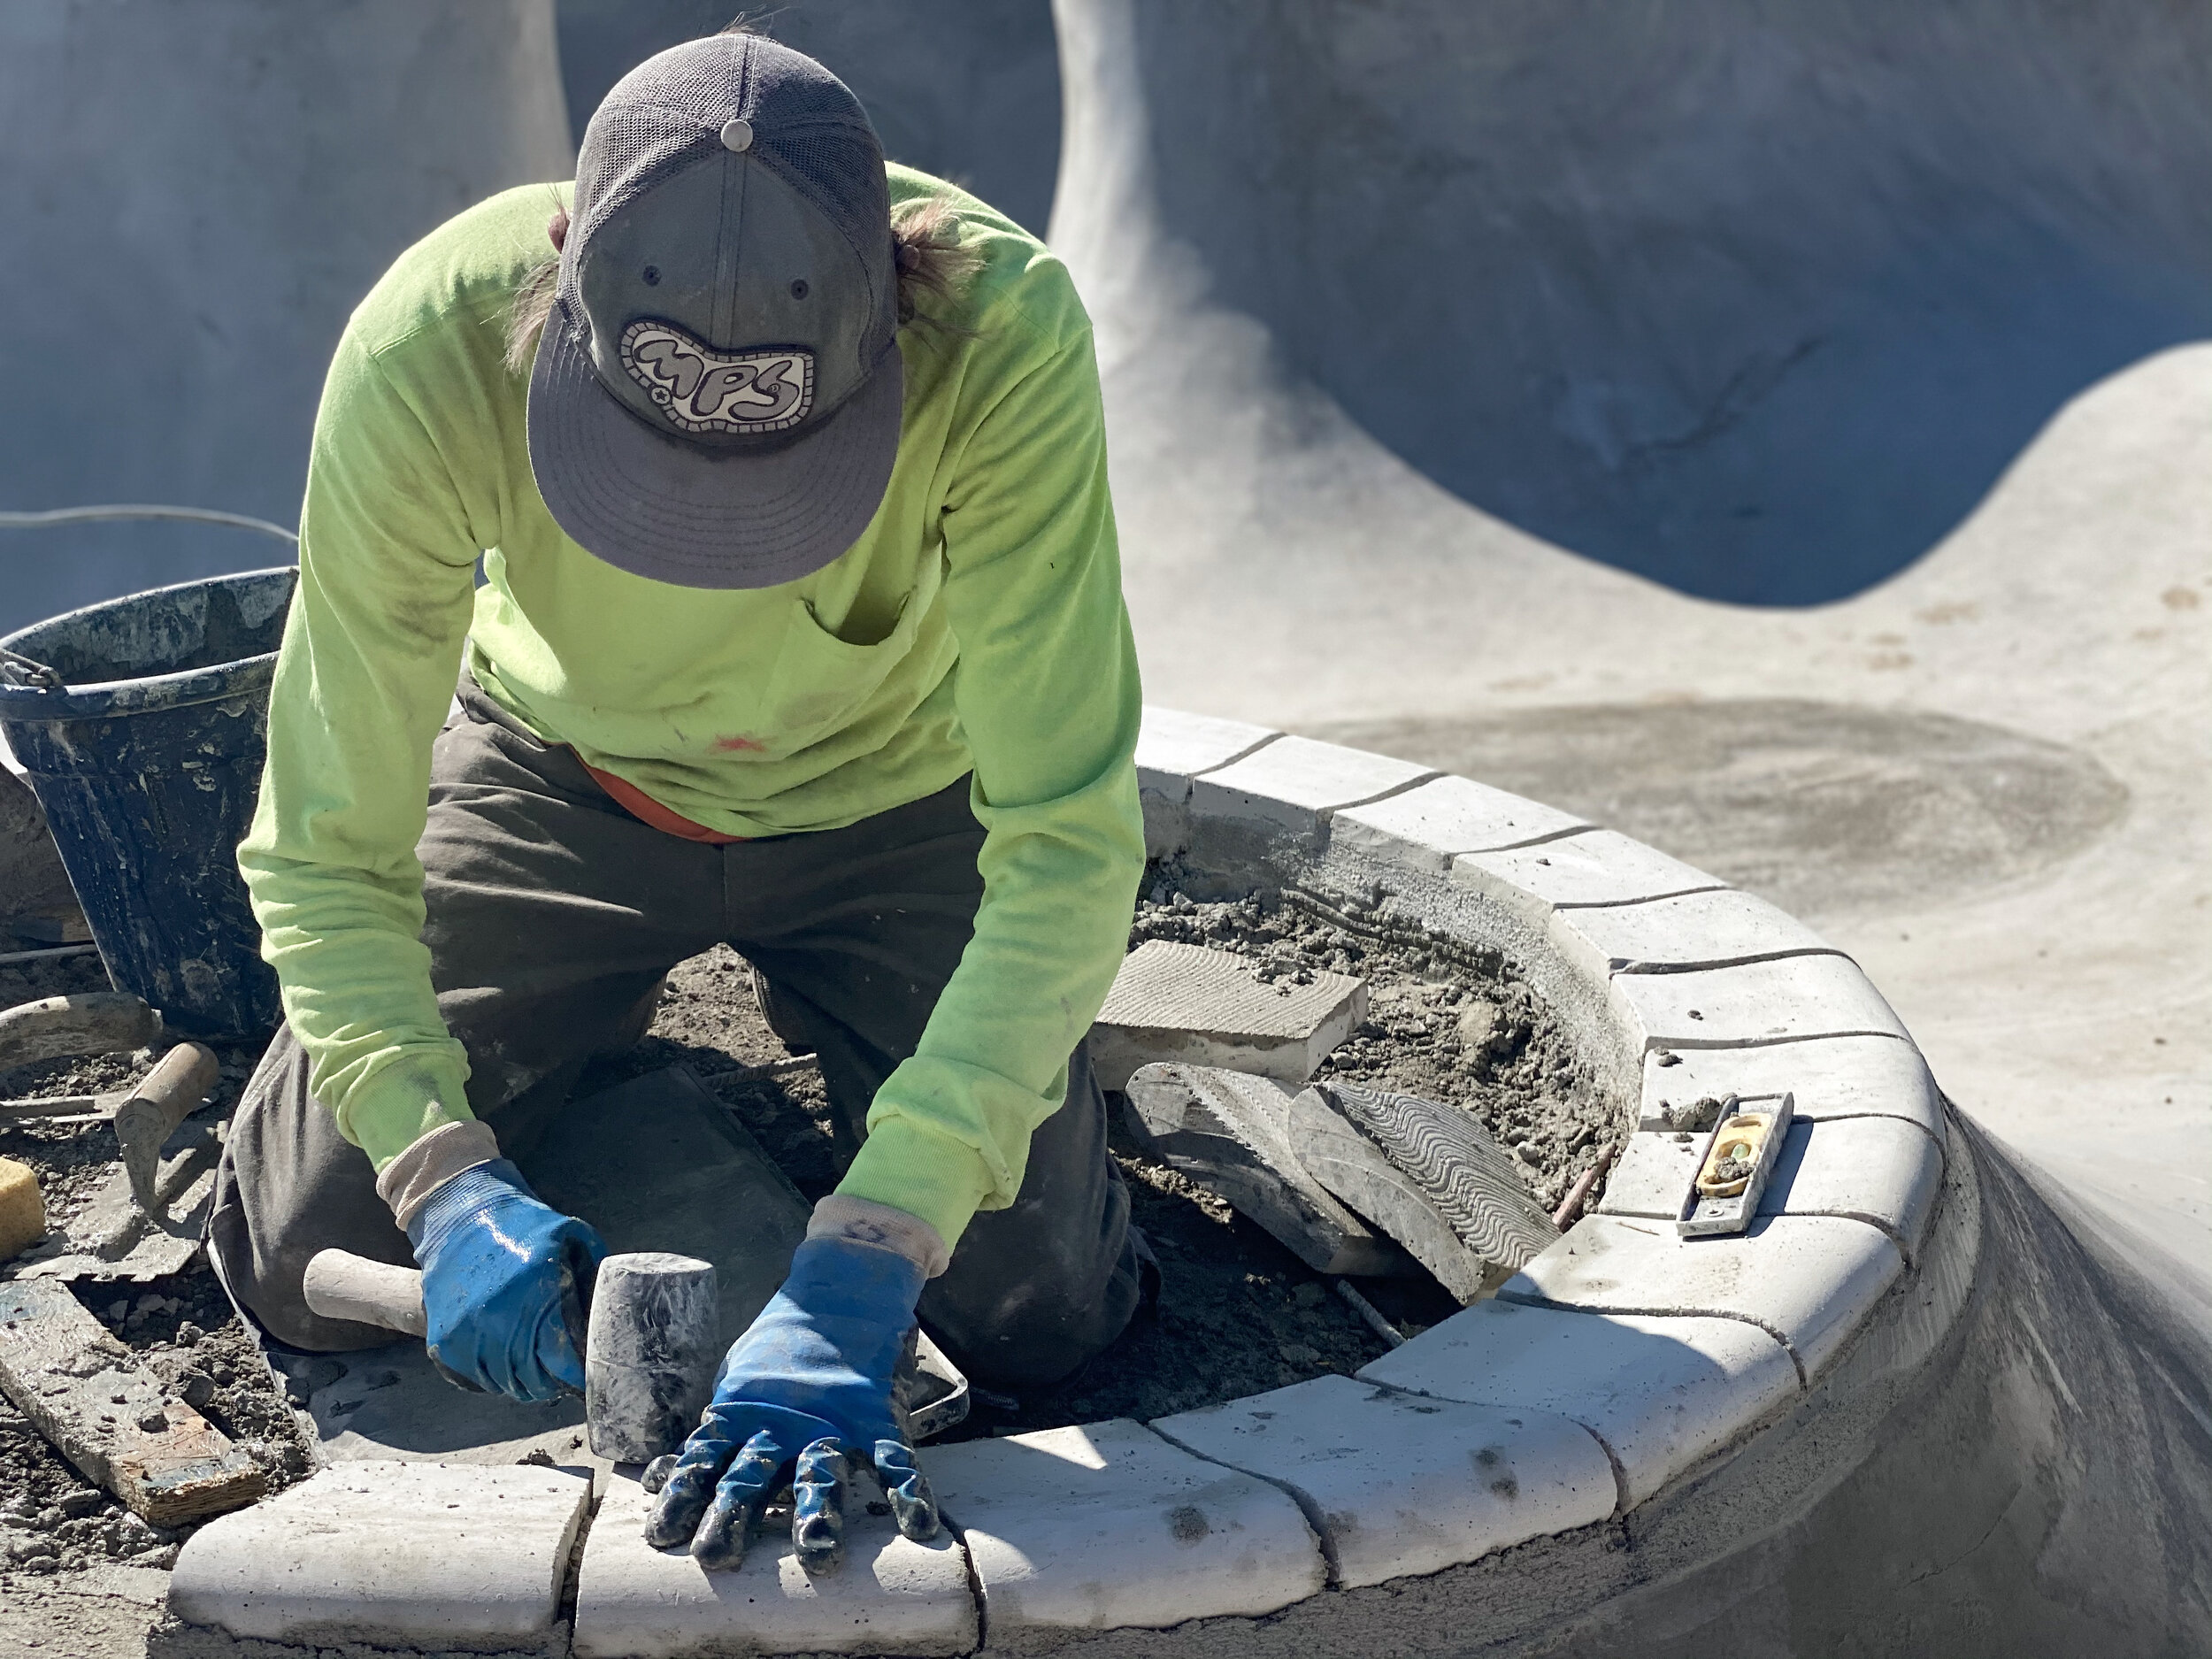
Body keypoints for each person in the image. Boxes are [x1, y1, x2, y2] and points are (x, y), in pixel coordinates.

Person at [206, 27, 1152, 1571]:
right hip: (556, 779)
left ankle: (787, 1136)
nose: (712, 553)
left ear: (900, 290)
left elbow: (1067, 839)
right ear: (563, 261)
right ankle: (609, 1117)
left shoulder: (1005, 334)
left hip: (891, 802)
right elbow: (325, 846)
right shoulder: (429, 347)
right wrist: (439, 1181)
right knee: (315, 1237)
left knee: (1039, 1311)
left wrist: (878, 1247)